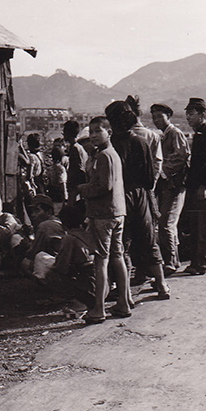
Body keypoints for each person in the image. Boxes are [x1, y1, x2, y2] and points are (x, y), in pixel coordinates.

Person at [106, 99, 170, 300]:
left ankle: (124, 294)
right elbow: (150, 178)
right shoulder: (141, 142)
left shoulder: (111, 145)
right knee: (149, 240)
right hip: (142, 196)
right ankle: (162, 285)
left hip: (120, 197)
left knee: (121, 244)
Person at [77, 116, 131, 324]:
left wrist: (83, 189)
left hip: (103, 214)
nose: (93, 135)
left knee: (101, 260)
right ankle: (124, 302)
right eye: (91, 132)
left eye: (98, 131)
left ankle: (99, 309)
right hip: (117, 212)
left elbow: (103, 186)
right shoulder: (112, 154)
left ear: (109, 132)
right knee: (117, 256)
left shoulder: (103, 156)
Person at [150, 103, 189, 275]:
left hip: (175, 185)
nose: (156, 120)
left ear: (168, 116)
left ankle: (170, 261)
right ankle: (174, 260)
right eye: (154, 117)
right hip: (167, 185)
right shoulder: (162, 135)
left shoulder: (175, 134)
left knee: (166, 223)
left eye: (160, 116)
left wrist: (162, 171)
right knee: (168, 223)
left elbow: (181, 157)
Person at [183, 97, 206, 275]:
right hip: (196, 186)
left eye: (191, 113)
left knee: (203, 226)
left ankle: (203, 263)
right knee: (196, 226)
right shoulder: (199, 135)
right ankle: (198, 262)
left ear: (202, 115)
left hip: (202, 188)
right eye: (187, 114)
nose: (188, 117)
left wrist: (204, 186)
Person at [63, 119, 89, 204]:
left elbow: (78, 168)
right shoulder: (78, 147)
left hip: (75, 187)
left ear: (68, 133)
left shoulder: (75, 148)